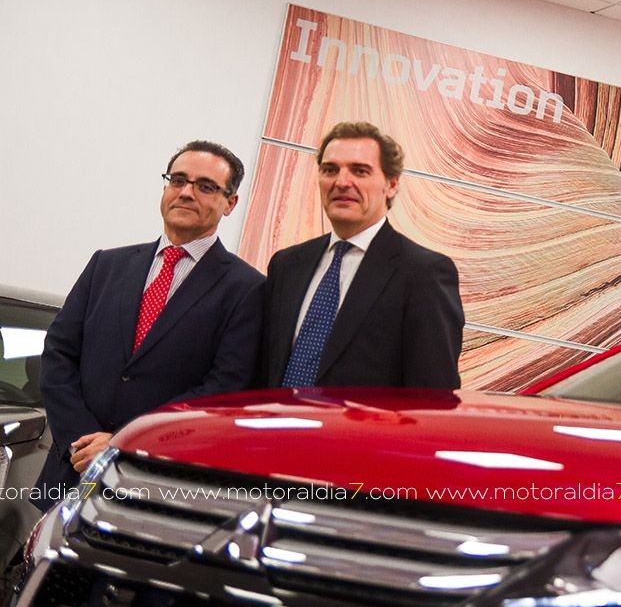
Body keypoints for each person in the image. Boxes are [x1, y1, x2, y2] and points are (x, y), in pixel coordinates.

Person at [32, 141, 265, 510]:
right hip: (72, 472)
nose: (186, 192)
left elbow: (223, 389)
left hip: (156, 484)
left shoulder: (247, 289)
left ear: (230, 203)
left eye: (205, 186)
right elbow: (59, 353)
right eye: (178, 180)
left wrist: (125, 443)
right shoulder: (107, 265)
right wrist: (82, 440)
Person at [260, 121, 464, 389]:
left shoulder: (423, 274)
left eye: (360, 171)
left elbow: (432, 392)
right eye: (330, 170)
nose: (342, 182)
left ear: (391, 185)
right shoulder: (287, 265)